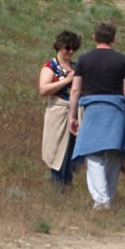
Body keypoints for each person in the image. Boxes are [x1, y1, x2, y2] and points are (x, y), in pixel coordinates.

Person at [69, 21, 125, 210]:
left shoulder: (84, 59)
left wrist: (72, 116)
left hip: (92, 110)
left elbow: (75, 90)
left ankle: (101, 200)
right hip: (115, 110)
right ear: (113, 39)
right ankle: (107, 197)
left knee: (93, 154)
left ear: (94, 38)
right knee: (114, 154)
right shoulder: (122, 60)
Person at [39, 30, 81, 188]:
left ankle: (67, 183)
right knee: (57, 149)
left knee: (71, 150)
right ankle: (57, 183)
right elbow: (43, 89)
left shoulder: (76, 67)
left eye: (74, 49)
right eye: (68, 48)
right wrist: (66, 81)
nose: (70, 52)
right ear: (59, 46)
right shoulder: (50, 66)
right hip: (58, 111)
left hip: (74, 113)